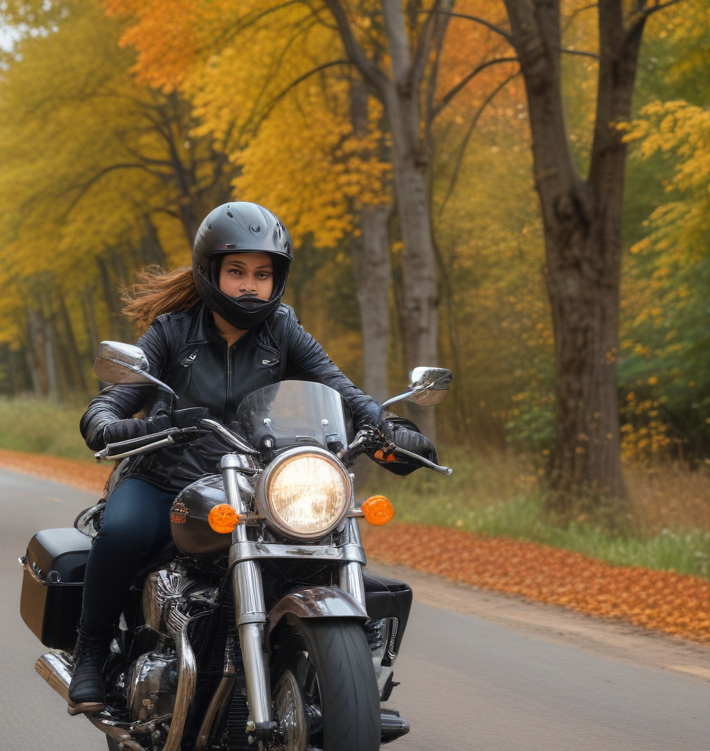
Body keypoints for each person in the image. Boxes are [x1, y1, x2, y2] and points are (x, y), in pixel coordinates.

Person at [69, 201, 436, 710]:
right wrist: (125, 424)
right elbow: (109, 405)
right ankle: (90, 654)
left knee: (317, 543)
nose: (249, 286)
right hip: (165, 479)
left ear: (276, 280)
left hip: (251, 482)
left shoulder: (282, 330)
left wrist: (388, 427)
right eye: (237, 271)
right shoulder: (173, 331)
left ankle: (337, 668)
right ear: (210, 272)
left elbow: (342, 391)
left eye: (262, 275)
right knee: (123, 532)